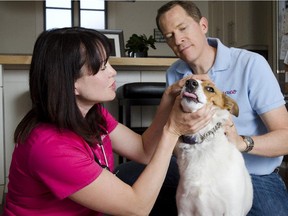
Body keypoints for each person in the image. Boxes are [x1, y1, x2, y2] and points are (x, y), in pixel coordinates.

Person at [3, 27, 214, 215]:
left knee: (171, 171)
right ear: (71, 84)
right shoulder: (50, 146)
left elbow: (143, 150)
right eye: (102, 67)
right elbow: (137, 208)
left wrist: (168, 99)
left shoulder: (93, 114)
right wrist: (173, 131)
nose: (113, 72)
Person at [117, 1, 288, 215]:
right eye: (169, 35)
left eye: (182, 28)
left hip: (253, 174)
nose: (177, 40)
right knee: (127, 175)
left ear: (203, 25)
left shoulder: (251, 64)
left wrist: (241, 142)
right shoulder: (175, 73)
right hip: (195, 169)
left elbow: (286, 138)